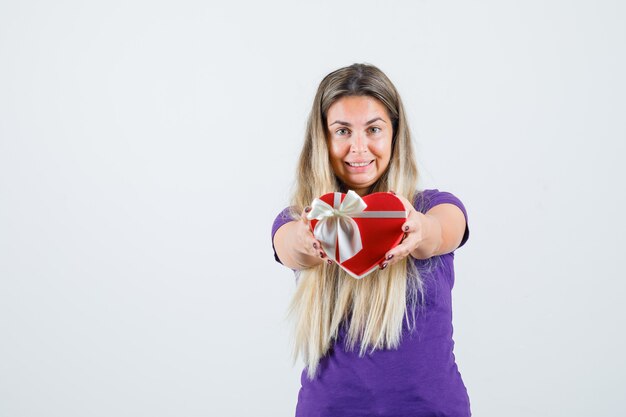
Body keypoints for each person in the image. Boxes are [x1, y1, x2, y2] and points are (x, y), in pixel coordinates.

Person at [271, 63, 471, 417]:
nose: (358, 148)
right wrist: (308, 241)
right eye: (342, 131)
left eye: (374, 129)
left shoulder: (437, 206)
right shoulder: (305, 217)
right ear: (323, 138)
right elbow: (289, 246)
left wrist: (419, 230)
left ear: (394, 134)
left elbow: (443, 232)